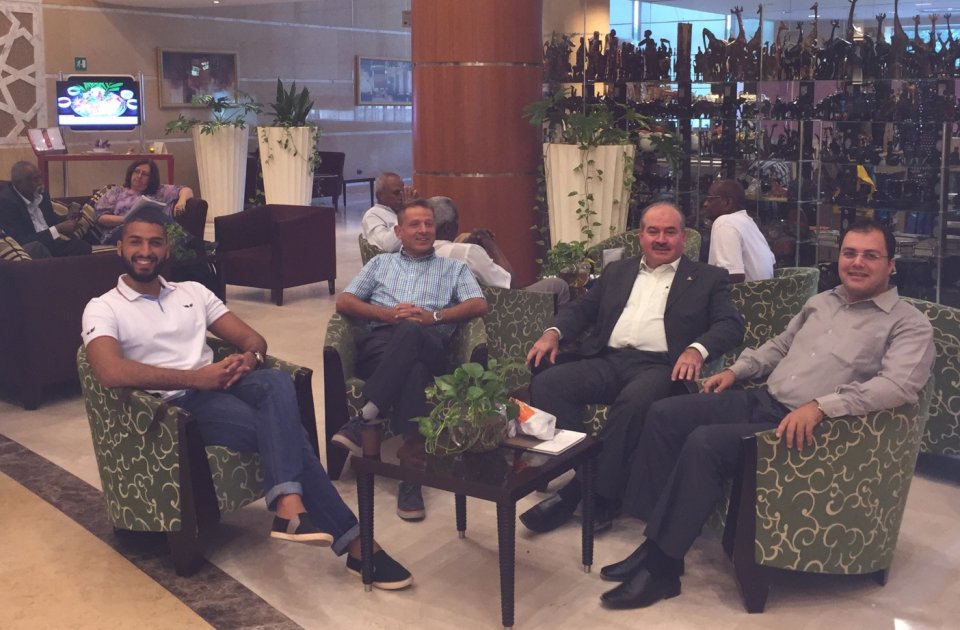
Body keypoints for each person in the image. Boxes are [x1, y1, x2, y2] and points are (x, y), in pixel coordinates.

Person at [599, 219, 934, 610]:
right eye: (850, 253)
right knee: (664, 413)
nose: (857, 262)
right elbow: (780, 345)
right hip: (764, 400)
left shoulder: (908, 324)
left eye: (870, 255)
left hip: (811, 431)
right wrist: (735, 371)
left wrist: (822, 406)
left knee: (705, 444)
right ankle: (657, 543)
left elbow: (898, 386)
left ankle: (662, 568)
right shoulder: (822, 302)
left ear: (891, 264)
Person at [81, 208, 412, 591]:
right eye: (135, 242)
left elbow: (253, 339)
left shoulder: (191, 292)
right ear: (120, 248)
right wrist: (197, 378)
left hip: (219, 385)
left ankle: (289, 505)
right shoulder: (103, 307)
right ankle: (356, 545)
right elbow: (110, 371)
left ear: (166, 249)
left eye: (155, 242)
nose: (145, 251)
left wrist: (249, 358)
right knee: (289, 436)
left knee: (274, 379)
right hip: (174, 408)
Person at [519, 202, 744, 534]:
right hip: (608, 360)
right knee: (549, 384)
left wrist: (696, 350)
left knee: (634, 404)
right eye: (653, 231)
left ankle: (581, 495)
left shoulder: (708, 278)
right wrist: (553, 332)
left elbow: (731, 325)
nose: (661, 239)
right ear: (641, 236)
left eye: (670, 232)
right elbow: (582, 309)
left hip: (661, 367)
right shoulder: (617, 271)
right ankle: (592, 478)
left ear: (683, 237)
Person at [334, 199, 488, 521]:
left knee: (413, 331)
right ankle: (410, 480)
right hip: (381, 345)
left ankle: (365, 416)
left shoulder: (454, 268)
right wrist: (387, 315)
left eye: (428, 224)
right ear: (398, 232)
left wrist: (433, 317)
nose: (423, 230)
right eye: (414, 224)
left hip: (431, 343)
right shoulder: (380, 264)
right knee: (412, 371)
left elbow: (478, 304)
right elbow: (345, 301)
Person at [428, 196, 570, 305]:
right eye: (456, 223)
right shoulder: (467, 253)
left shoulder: (418, 252)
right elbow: (510, 286)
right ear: (448, 227)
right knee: (558, 285)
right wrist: (489, 243)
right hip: (499, 315)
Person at [0, 161, 92, 258]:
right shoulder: (6, 202)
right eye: (35, 179)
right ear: (19, 183)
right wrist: (57, 229)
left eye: (40, 177)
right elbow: (19, 240)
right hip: (31, 247)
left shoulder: (43, 194)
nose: (40, 183)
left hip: (50, 241)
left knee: (82, 247)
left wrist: (67, 220)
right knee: (37, 249)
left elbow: (50, 222)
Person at [95, 159, 193, 244]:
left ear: (151, 178)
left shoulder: (159, 191)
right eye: (137, 171)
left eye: (145, 174)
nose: (139, 176)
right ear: (131, 173)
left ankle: (187, 242)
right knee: (151, 216)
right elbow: (101, 218)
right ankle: (187, 241)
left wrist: (181, 202)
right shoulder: (116, 192)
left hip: (150, 230)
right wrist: (127, 219)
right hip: (119, 231)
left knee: (154, 214)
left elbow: (186, 190)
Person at [702, 179, 775, 282]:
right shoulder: (747, 221)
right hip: (763, 291)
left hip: (743, 292)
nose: (705, 204)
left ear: (727, 202)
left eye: (710, 199)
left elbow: (733, 276)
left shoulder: (724, 223)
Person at [360, 172, 417, 252]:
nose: (402, 196)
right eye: (396, 193)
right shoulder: (372, 215)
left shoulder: (399, 210)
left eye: (403, 192)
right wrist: (406, 212)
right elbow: (389, 246)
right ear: (380, 195)